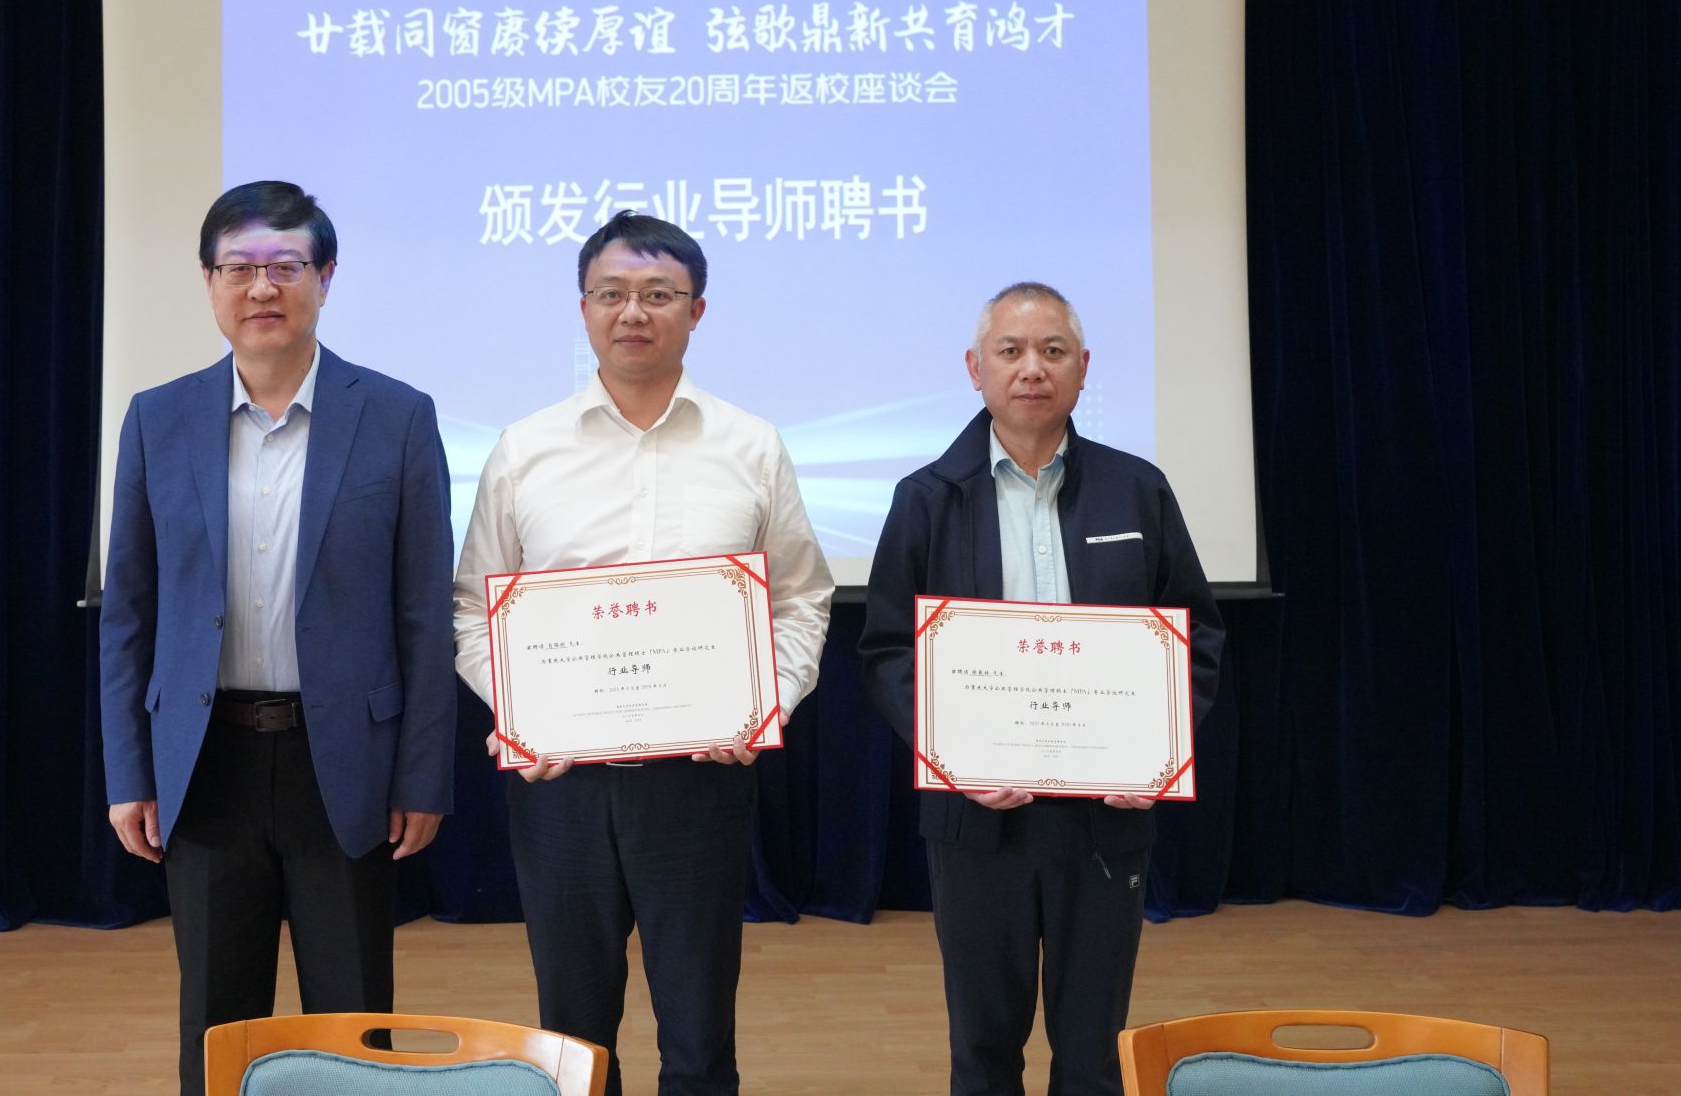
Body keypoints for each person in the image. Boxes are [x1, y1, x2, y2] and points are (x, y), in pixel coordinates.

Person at [453, 212, 834, 1096]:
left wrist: (765, 703)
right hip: (561, 783)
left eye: (659, 294)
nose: (634, 312)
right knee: (573, 1032)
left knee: (699, 1034)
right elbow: (474, 608)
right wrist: (519, 711)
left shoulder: (750, 444)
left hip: (699, 780)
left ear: (696, 311)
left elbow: (801, 597)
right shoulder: (525, 448)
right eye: (613, 293)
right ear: (583, 307)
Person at [99, 180, 455, 1095]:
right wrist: (130, 770)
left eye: (285, 266)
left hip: (342, 761)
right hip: (204, 760)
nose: (262, 287)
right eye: (240, 267)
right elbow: (130, 609)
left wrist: (421, 774)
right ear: (209, 281)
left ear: (325, 278)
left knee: (352, 1021)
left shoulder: (397, 416)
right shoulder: (157, 417)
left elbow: (422, 613)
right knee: (219, 1025)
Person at [859, 282, 1225, 1096]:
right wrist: (952, 753)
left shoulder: (1138, 488)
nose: (1033, 368)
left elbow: (1196, 634)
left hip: (1106, 816)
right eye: (1012, 351)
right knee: (983, 1051)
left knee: (1093, 1052)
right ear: (975, 368)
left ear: (1083, 368)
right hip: (975, 818)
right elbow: (886, 649)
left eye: (1053, 350)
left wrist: (1159, 749)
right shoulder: (926, 498)